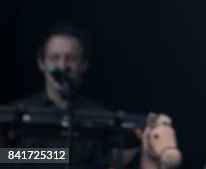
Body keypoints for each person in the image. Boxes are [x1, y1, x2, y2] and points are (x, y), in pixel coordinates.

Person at [2, 23, 181, 169]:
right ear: (41, 63)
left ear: (84, 65)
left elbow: (113, 162)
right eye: (54, 57)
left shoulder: (103, 119)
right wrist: (60, 156)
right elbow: (4, 157)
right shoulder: (13, 114)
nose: (62, 66)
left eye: (71, 58)